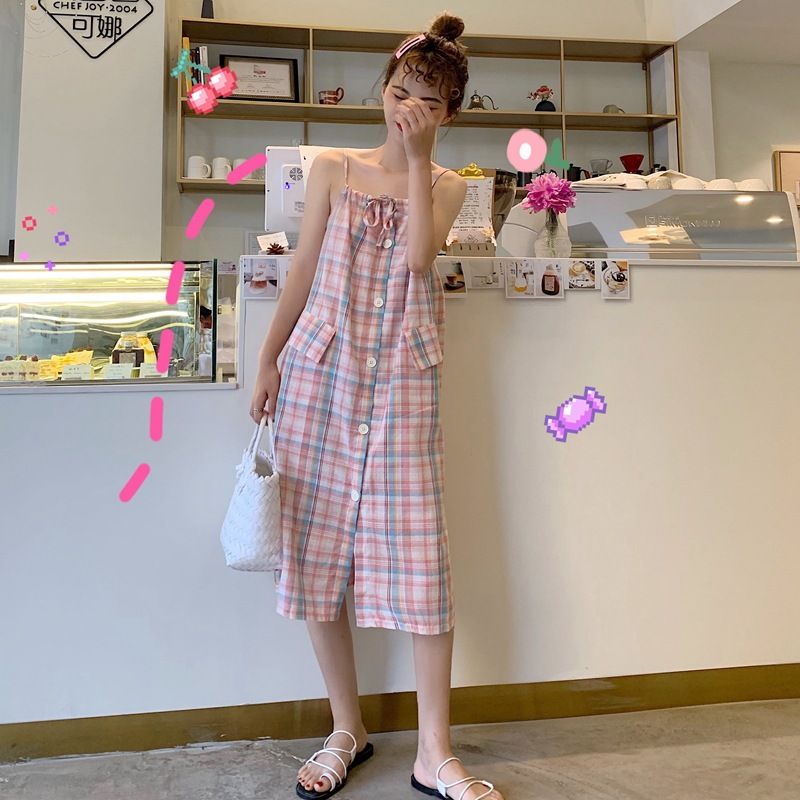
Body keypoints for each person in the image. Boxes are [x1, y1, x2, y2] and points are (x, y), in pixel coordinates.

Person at [250, 12, 503, 800]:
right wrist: (267, 358)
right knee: (316, 550)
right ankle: (345, 728)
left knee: (423, 561)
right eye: (399, 94)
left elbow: (420, 259)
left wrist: (420, 162)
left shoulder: (450, 184)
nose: (407, 111)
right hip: (320, 372)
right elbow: (301, 270)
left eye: (427, 103)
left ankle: (434, 753)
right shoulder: (333, 167)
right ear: (382, 91)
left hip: (402, 380)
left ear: (448, 114)